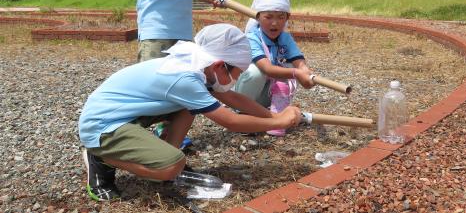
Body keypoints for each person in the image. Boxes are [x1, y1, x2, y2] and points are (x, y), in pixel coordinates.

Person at [78, 24, 301, 202]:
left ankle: (163, 153)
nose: (236, 81)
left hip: (125, 115)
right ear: (219, 65)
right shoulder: (185, 78)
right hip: (103, 125)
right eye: (237, 74)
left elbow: (233, 98)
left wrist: (273, 116)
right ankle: (101, 157)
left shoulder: (196, 64)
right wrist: (278, 121)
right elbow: (232, 121)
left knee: (190, 107)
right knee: (172, 166)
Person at [233, 0, 315, 136]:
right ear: (258, 17)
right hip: (247, 95)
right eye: (268, 17)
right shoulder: (252, 37)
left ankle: (272, 111)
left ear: (287, 17)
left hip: (269, 94)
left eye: (281, 17)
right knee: (255, 72)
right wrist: (297, 73)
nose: (275, 23)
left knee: (289, 66)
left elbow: (297, 60)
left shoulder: (285, 38)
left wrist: (305, 71)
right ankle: (242, 114)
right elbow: (267, 68)